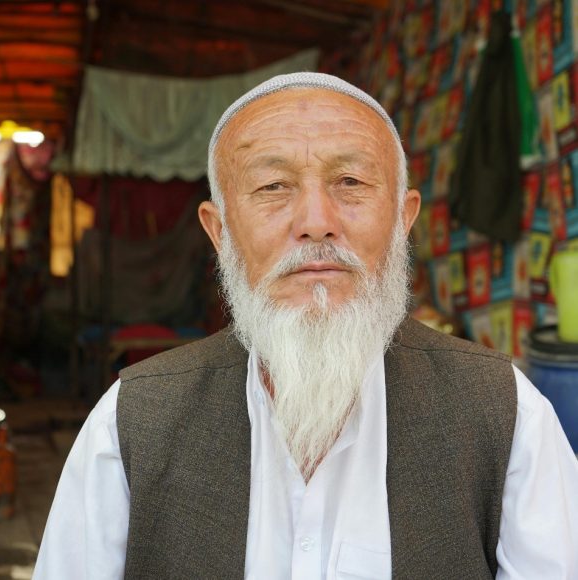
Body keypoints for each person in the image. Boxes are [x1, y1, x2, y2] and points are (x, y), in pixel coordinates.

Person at [34, 73, 578, 580]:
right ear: (219, 232)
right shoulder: (130, 423)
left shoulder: (505, 413)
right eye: (273, 186)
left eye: (350, 181)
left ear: (403, 219)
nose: (317, 222)